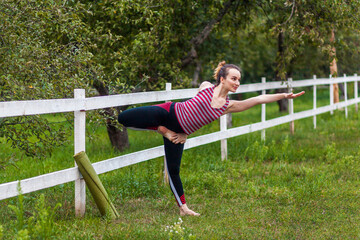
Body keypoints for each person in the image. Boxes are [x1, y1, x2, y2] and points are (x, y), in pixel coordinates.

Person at [118, 61, 305, 216]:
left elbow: (257, 99)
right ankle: (161, 130)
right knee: (123, 118)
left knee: (174, 170)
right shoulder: (206, 86)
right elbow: (192, 110)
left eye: (239, 80)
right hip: (167, 113)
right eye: (233, 78)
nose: (237, 82)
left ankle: (183, 208)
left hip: (179, 132)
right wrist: (164, 130)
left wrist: (284, 95)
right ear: (222, 79)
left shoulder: (228, 106)